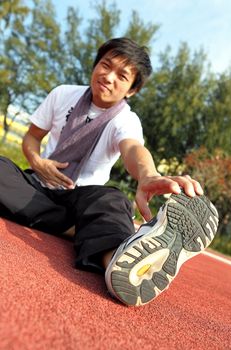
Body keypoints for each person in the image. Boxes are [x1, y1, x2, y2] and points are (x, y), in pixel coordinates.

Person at [0, 37, 219, 306]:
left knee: (113, 201)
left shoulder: (125, 120)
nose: (109, 76)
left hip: (83, 198)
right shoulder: (62, 94)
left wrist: (148, 175)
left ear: (132, 90)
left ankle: (118, 264)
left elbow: (133, 150)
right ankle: (75, 228)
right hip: (38, 185)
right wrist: (37, 161)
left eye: (122, 75)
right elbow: (32, 137)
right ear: (95, 65)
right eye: (106, 65)